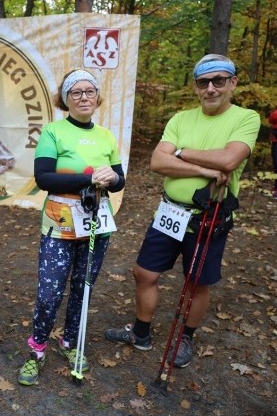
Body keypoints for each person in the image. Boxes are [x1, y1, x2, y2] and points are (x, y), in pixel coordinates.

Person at [105, 54, 260, 369]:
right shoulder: (180, 119)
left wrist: (180, 153)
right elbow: (157, 162)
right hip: (170, 212)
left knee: (196, 282)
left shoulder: (246, 118)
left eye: (219, 81)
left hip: (209, 218)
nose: (211, 89)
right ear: (196, 87)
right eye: (204, 82)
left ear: (233, 83)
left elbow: (230, 160)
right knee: (144, 273)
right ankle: (141, 333)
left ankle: (185, 337)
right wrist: (205, 167)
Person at [17, 69, 126, 386]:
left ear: (97, 97)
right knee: (50, 292)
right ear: (65, 99)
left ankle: (70, 341)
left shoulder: (105, 135)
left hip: (96, 222)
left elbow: (119, 181)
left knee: (83, 287)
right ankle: (37, 349)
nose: (83, 97)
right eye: (75, 92)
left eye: (89, 91)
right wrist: (88, 178)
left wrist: (112, 178)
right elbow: (44, 178)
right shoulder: (53, 131)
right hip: (60, 220)